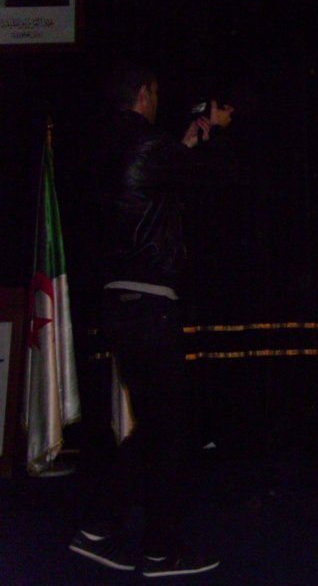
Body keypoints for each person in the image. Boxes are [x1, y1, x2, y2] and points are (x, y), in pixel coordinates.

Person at [68, 63, 233, 578]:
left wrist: (185, 142)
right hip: (149, 303)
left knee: (158, 425)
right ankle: (157, 549)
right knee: (170, 429)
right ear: (143, 93)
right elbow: (209, 183)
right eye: (156, 92)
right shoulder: (148, 143)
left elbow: (153, 182)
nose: (159, 101)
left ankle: (100, 528)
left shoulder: (107, 148)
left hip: (118, 301)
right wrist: (216, 132)